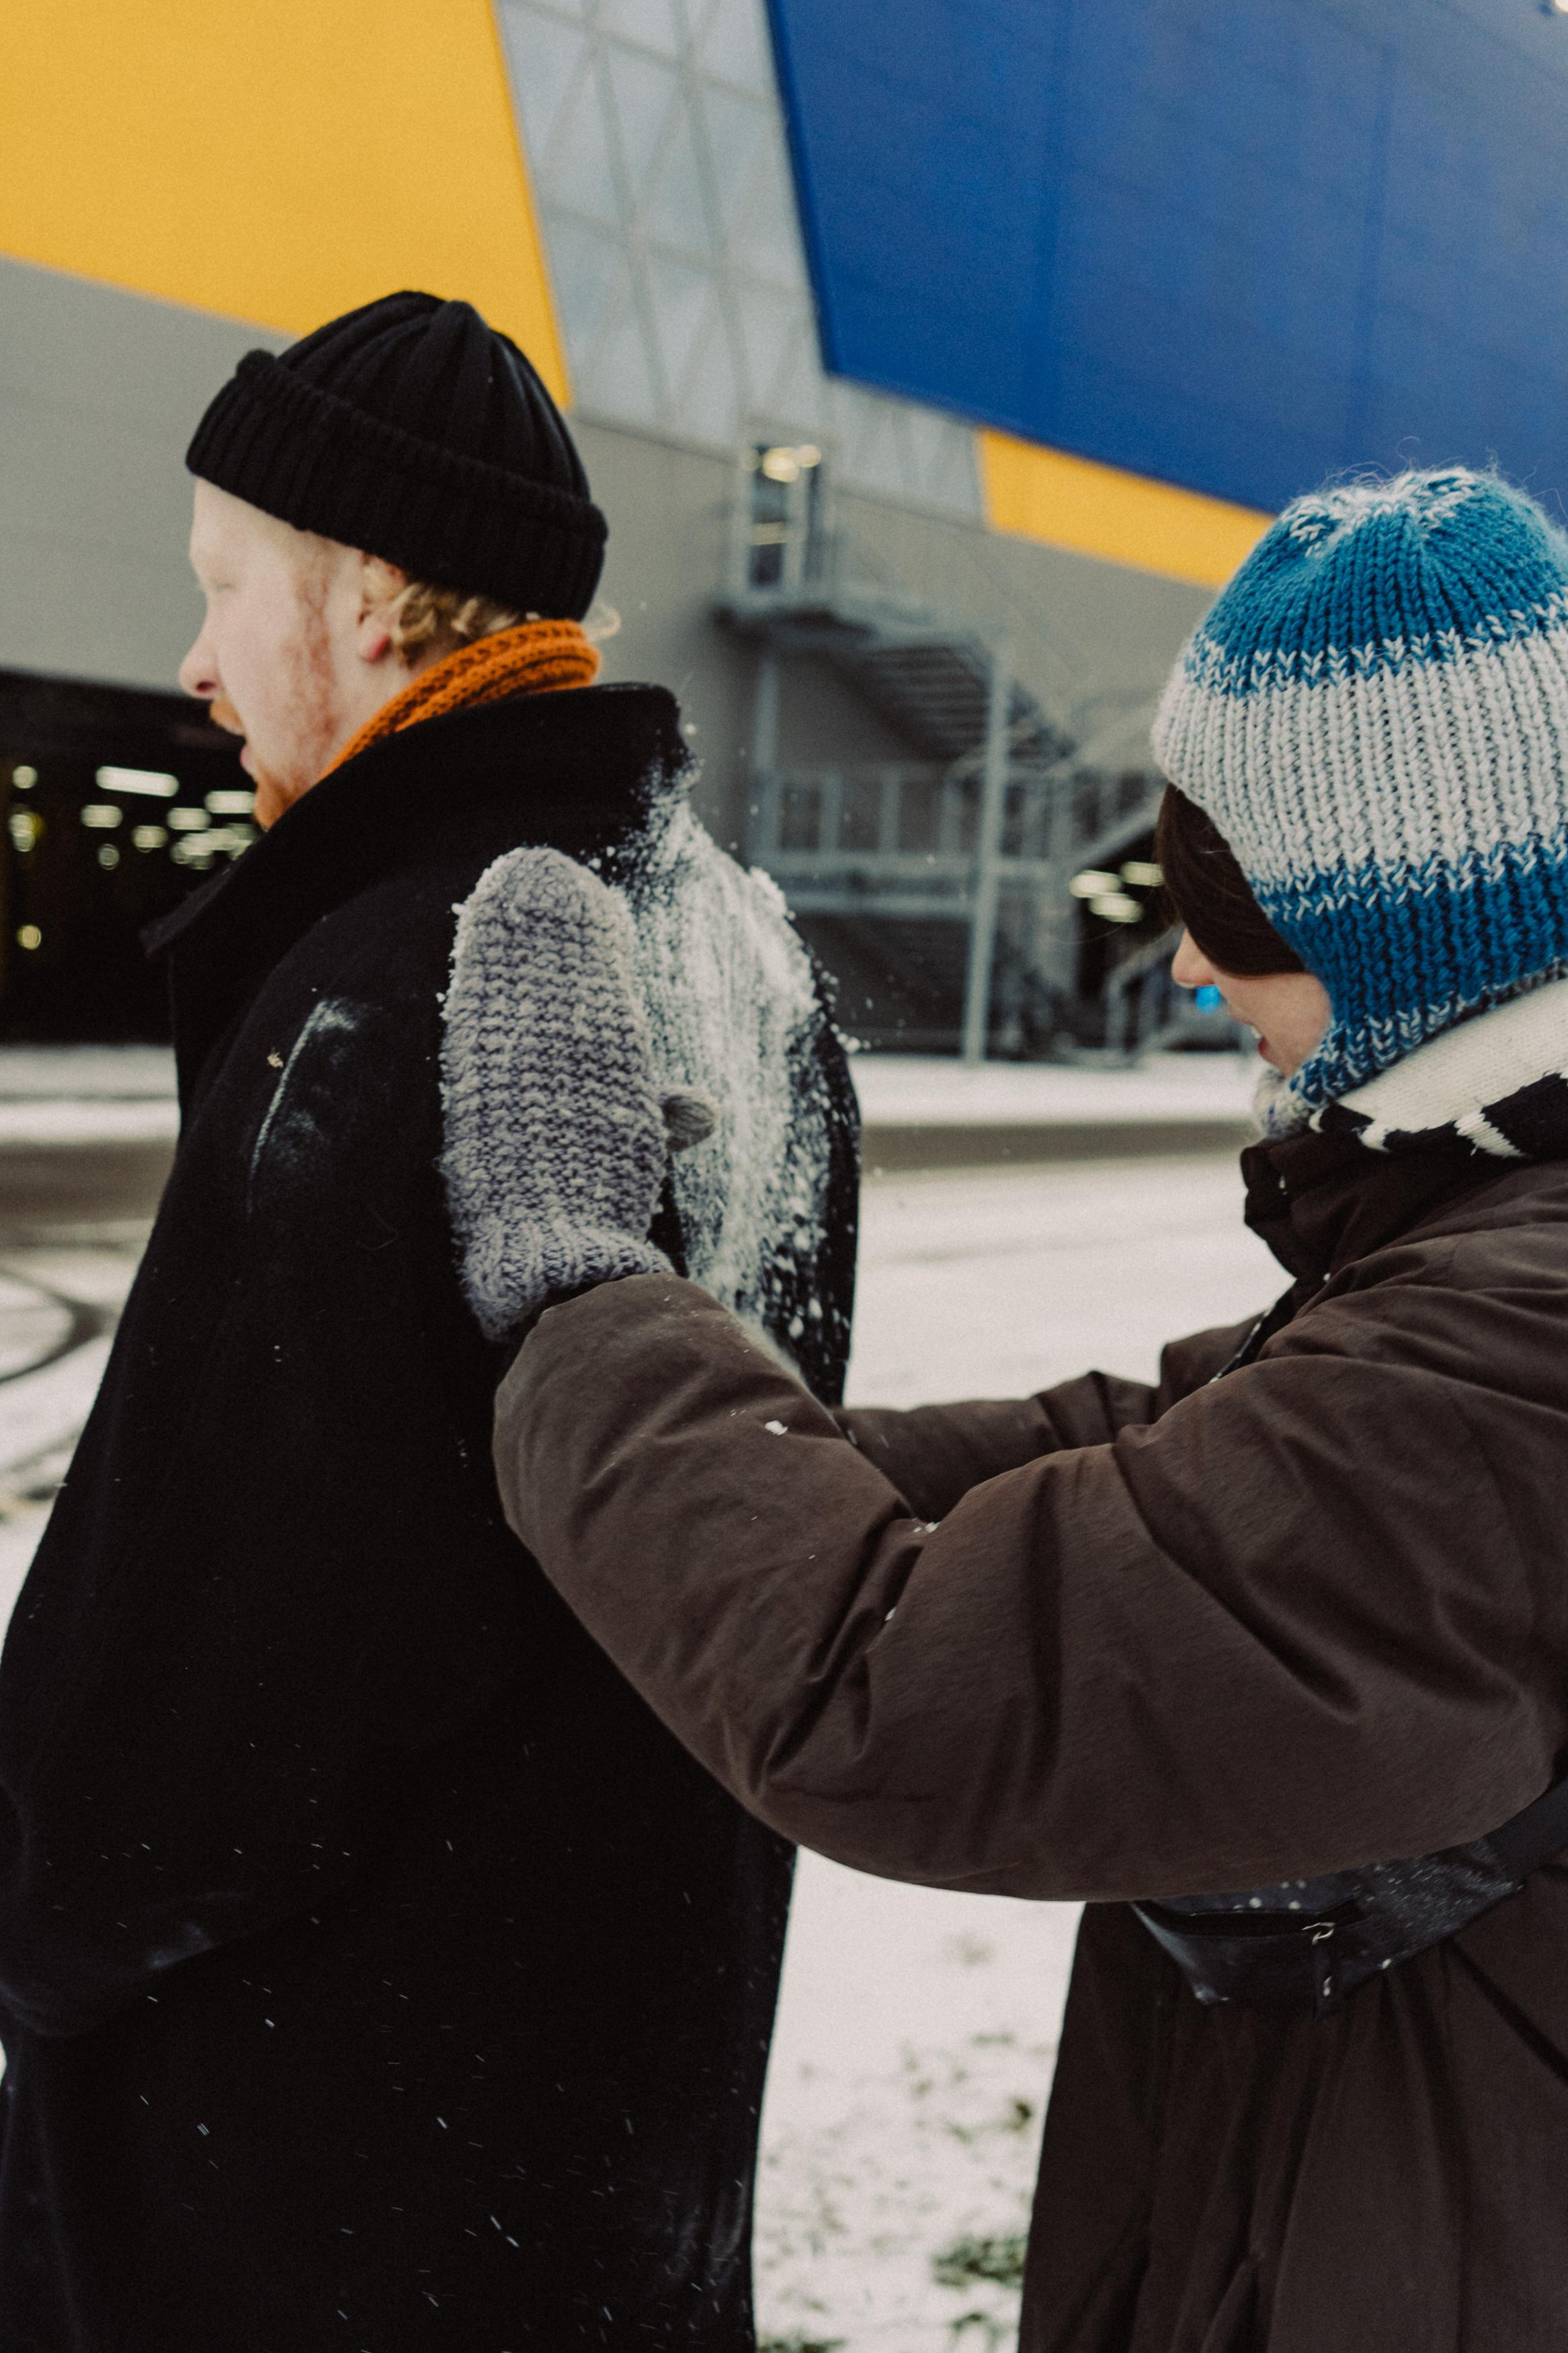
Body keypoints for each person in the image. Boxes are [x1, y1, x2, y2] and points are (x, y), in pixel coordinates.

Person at [480, 468, 1568, 2351]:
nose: (1196, 966)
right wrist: (727, 1422)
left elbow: (903, 1685)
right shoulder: (1493, 1256)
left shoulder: (1495, 1368)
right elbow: (1145, 1453)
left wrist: (585, 1299)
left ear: (1399, 929)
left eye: (1226, 902)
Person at [0, 292, 858, 2351]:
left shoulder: (392, 999)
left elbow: (198, 1687)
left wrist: (35, 1905)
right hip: (608, 2133)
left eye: (227, 588)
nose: (197, 661)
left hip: (313, 2182)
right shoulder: (751, 978)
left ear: (376, 601)